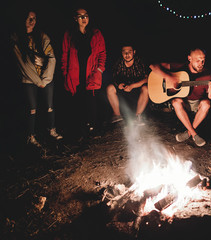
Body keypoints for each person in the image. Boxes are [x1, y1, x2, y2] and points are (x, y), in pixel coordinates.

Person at [11, 10, 62, 147]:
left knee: (50, 106)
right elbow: (24, 65)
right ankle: (31, 136)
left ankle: (52, 130)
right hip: (29, 80)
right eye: (28, 18)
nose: (31, 21)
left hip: (46, 78)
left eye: (33, 18)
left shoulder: (42, 36)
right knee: (32, 108)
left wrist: (45, 79)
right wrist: (38, 82)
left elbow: (52, 57)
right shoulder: (16, 39)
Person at [150, 48, 211, 147]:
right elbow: (153, 66)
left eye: (203, 60)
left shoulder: (209, 75)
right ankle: (194, 134)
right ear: (189, 58)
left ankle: (188, 133)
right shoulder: (180, 67)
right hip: (184, 103)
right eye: (198, 60)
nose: (201, 63)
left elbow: (210, 100)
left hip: (198, 103)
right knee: (176, 102)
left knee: (206, 104)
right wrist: (169, 77)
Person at [61, 7, 106, 135]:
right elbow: (64, 55)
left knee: (90, 99)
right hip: (75, 73)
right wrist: (65, 73)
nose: (83, 19)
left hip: (91, 72)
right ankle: (79, 129)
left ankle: (92, 127)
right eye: (80, 16)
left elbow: (102, 53)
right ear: (75, 19)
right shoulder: (69, 34)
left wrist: (99, 70)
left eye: (85, 16)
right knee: (77, 100)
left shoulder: (96, 33)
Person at [106, 44, 150, 124]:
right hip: (124, 89)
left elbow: (147, 78)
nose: (127, 55)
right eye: (124, 52)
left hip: (137, 88)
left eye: (129, 52)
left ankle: (138, 116)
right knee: (110, 88)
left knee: (146, 89)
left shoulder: (140, 62)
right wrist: (119, 84)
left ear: (134, 52)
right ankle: (117, 115)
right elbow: (115, 77)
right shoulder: (119, 63)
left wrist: (133, 86)